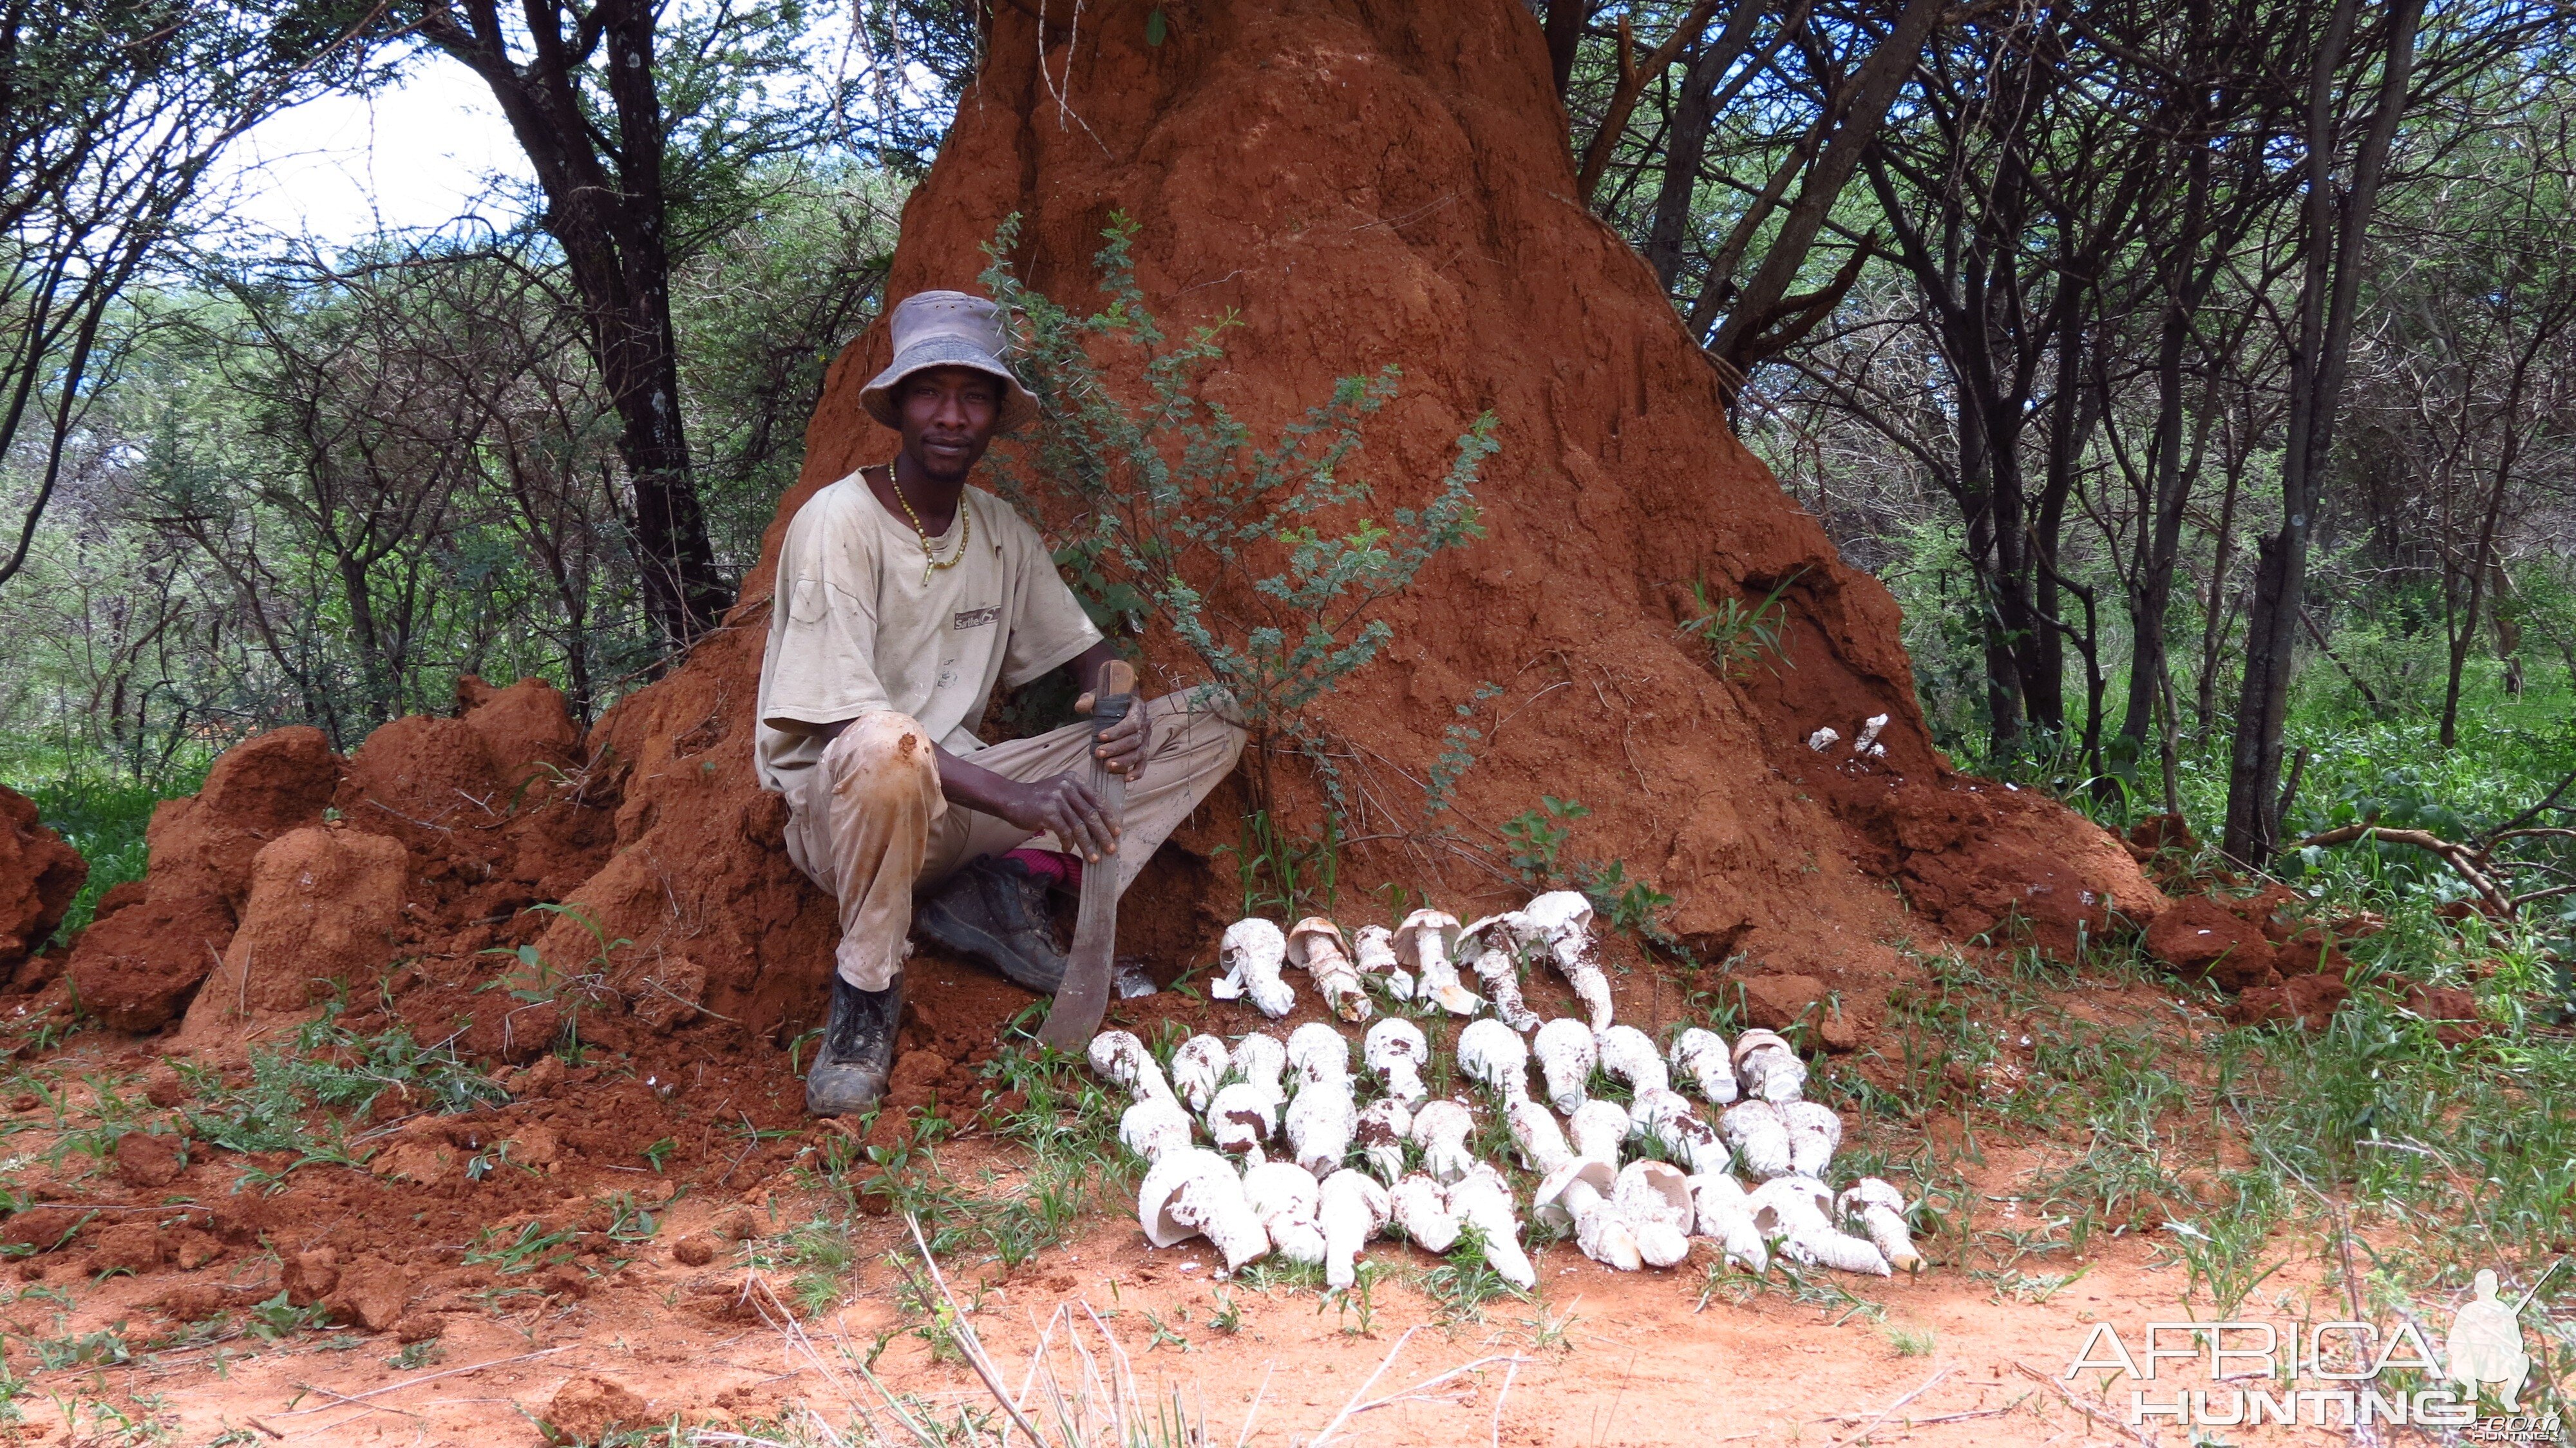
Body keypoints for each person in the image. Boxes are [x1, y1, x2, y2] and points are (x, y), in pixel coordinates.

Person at [756, 290, 1247, 1115]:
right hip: (845, 811)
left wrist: (1113, 703)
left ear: (993, 416)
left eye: (974, 396)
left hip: (958, 800)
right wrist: (1019, 796)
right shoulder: (838, 522)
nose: (951, 415)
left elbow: (1088, 653)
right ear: (900, 407)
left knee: (1212, 719)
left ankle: (1004, 886)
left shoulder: (998, 528)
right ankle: (863, 1003)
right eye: (930, 393)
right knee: (887, 744)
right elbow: (843, 719)